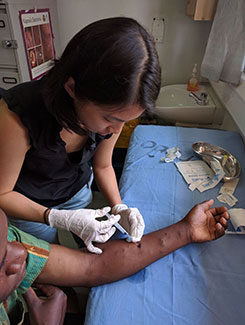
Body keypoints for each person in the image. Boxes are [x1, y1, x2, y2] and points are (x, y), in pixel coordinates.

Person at [0, 17, 161, 252]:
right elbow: (3, 193)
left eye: (126, 121)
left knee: (96, 249)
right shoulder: (16, 117)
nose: (117, 130)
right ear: (72, 89)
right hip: (28, 203)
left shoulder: (113, 115)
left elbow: (103, 166)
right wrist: (55, 217)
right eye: (110, 119)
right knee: (49, 262)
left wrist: (119, 207)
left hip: (76, 190)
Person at [0, 200, 229, 323]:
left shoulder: (11, 243)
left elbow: (91, 266)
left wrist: (185, 231)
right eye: (1, 261)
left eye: (8, 241)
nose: (21, 253)